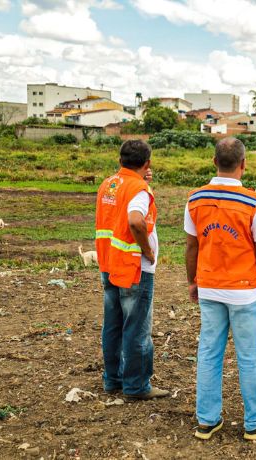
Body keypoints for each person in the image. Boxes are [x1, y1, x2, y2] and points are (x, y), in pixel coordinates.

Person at [184, 137, 256, 441]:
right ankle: (255, 421)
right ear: (243, 164)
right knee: (249, 356)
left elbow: (191, 246)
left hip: (210, 288)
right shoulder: (254, 203)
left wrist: (193, 281)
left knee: (209, 353)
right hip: (244, 291)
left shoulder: (195, 199)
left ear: (214, 162)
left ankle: (207, 420)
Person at [94, 140, 169, 400]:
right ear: (147, 163)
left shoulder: (109, 184)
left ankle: (112, 379)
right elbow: (136, 220)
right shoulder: (139, 188)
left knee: (113, 324)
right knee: (136, 328)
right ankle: (136, 385)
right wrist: (148, 251)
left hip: (109, 263)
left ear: (120, 160)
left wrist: (141, 179)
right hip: (134, 268)